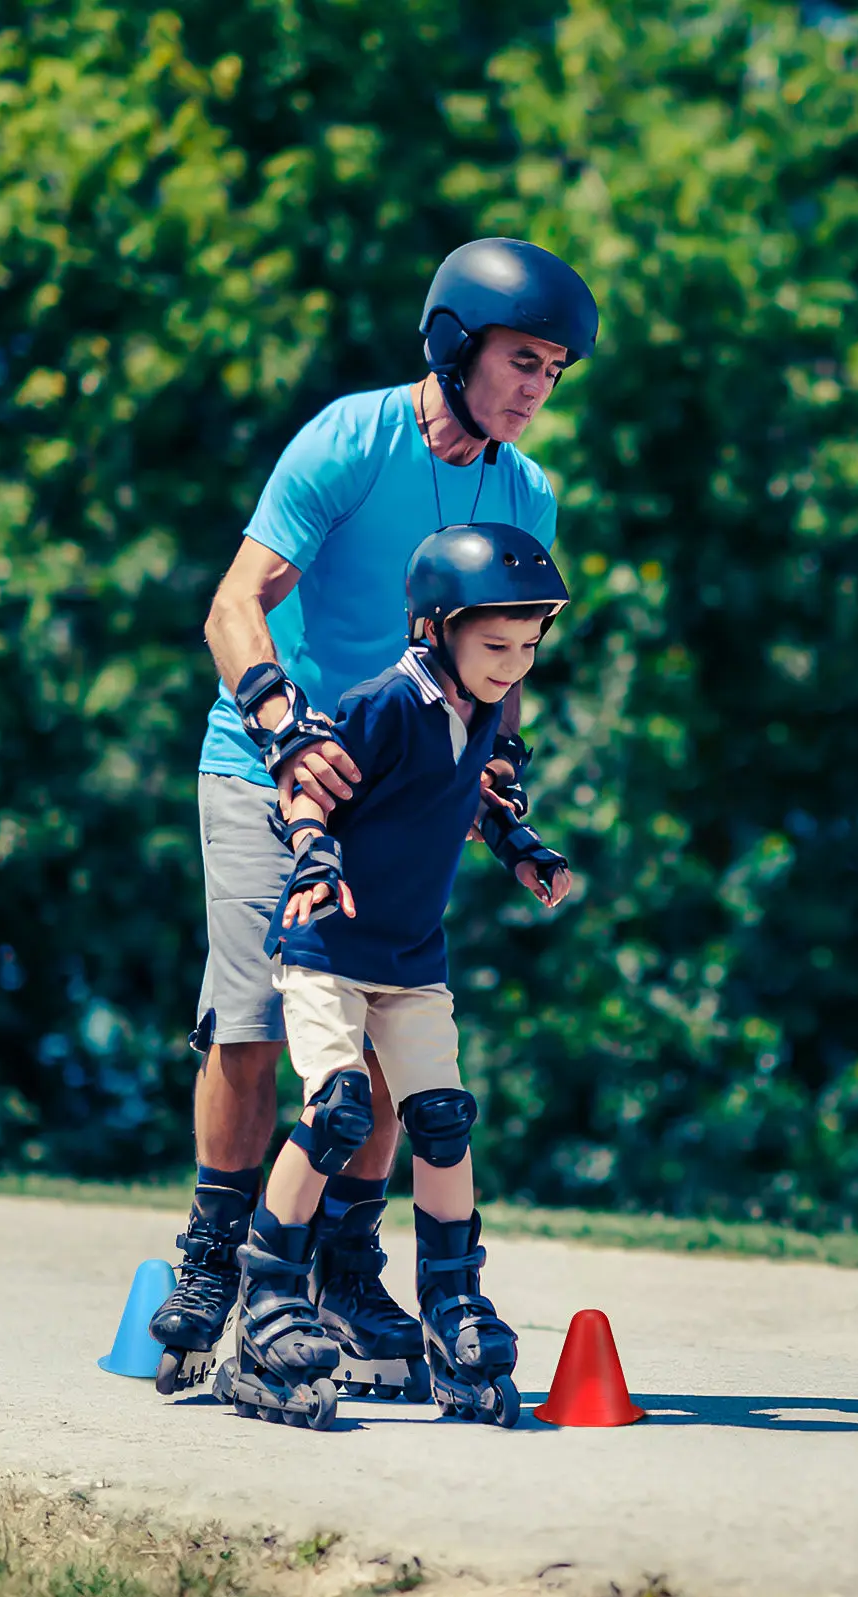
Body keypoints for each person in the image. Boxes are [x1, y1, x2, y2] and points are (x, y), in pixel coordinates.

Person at [150, 240, 599, 1396]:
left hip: (406, 782)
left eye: (553, 370)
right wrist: (288, 730)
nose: (536, 388)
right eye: (520, 360)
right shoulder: (352, 439)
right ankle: (211, 1259)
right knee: (255, 1023)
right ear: (455, 346)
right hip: (268, 767)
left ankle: (343, 1262)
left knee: (393, 1027)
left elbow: (507, 649)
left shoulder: (527, 489)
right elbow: (233, 605)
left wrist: (491, 766)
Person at [209, 522, 574, 1431]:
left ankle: (451, 1304)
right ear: (433, 630)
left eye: (529, 647)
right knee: (336, 1110)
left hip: (413, 957)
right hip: (332, 948)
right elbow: (305, 784)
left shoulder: (483, 706)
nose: (514, 666)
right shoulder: (385, 703)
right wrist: (314, 859)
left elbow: (475, 797)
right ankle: (271, 1301)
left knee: (443, 1120)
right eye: (496, 645)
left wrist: (521, 851)